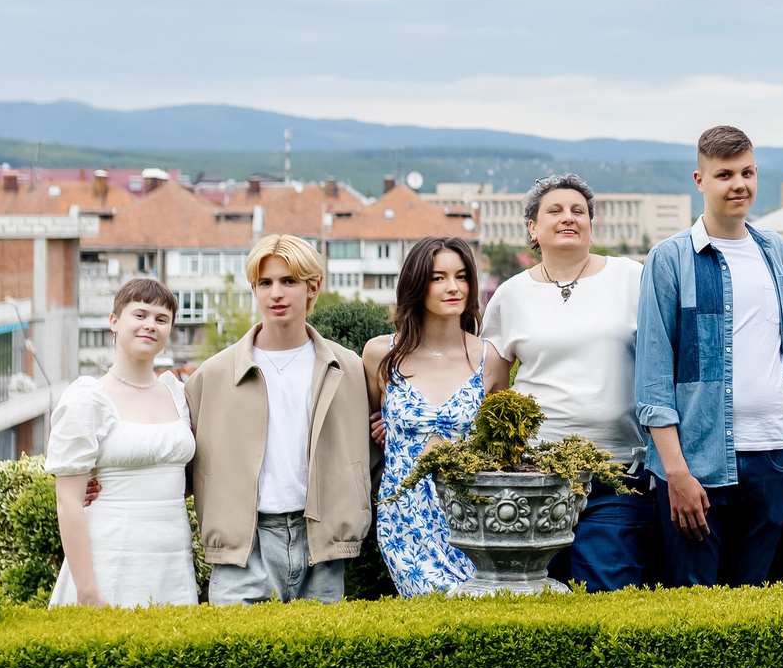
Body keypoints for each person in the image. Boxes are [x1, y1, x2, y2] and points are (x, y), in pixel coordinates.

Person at [636, 126, 783, 585]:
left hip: (776, 456)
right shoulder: (669, 259)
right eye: (725, 175)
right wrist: (675, 474)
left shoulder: (776, 250)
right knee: (695, 611)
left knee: (754, 608)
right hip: (698, 465)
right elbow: (653, 378)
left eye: (748, 172)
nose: (739, 184)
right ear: (700, 180)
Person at [484, 176, 655, 591]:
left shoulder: (633, 278)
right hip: (536, 478)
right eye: (555, 211)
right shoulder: (510, 295)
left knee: (608, 595)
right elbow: (493, 388)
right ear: (532, 227)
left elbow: (672, 358)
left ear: (591, 224)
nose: (568, 218)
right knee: (536, 602)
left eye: (578, 211)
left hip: (617, 474)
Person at [184, 235, 372, 604]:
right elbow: (179, 457)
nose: (276, 294)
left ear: (312, 287)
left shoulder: (348, 368)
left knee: (318, 659)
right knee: (239, 659)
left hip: (322, 540)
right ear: (253, 289)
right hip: (243, 545)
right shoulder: (212, 375)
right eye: (265, 283)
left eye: (289, 282)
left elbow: (372, 448)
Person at [363, 237, 508, 597]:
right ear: (416, 284)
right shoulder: (380, 354)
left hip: (474, 516)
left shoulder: (491, 359)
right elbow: (371, 422)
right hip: (405, 520)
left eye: (461, 276)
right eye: (438, 277)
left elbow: (502, 446)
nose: (453, 287)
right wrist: (385, 427)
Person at [47, 277, 197, 607]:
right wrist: (87, 591)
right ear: (114, 322)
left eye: (161, 319)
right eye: (140, 315)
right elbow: (68, 501)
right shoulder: (88, 398)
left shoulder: (177, 393)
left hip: (172, 559)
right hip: (110, 559)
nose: (150, 326)